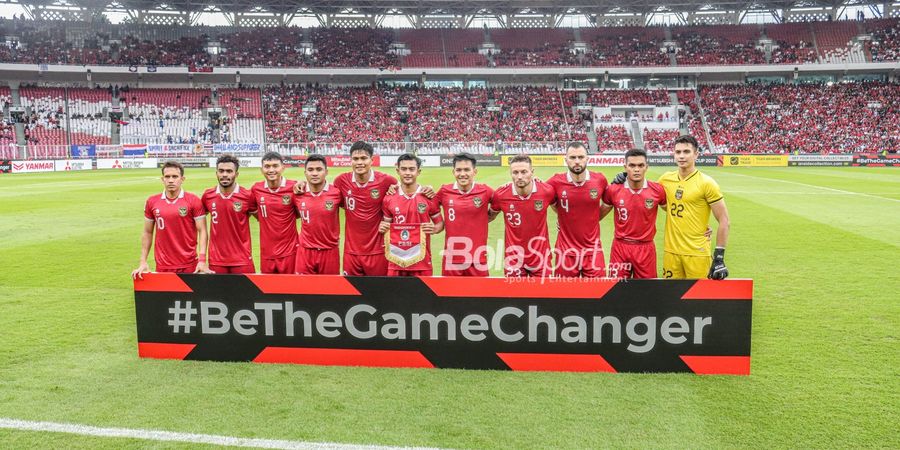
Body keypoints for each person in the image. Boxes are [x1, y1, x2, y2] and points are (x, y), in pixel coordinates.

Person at [614, 135, 730, 279]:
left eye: (686, 152)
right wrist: (624, 177)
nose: (682, 156)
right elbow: (647, 194)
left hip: (697, 252)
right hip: (671, 252)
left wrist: (719, 256)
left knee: (698, 299)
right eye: (678, 152)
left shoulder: (707, 183)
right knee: (671, 298)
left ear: (696, 154)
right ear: (674, 154)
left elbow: (724, 220)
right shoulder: (665, 179)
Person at [132, 161, 209, 279]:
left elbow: (202, 230)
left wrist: (202, 259)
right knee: (166, 297)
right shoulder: (152, 202)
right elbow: (147, 232)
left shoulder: (193, 200)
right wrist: (143, 261)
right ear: (162, 179)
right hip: (163, 265)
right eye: (167, 177)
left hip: (189, 264)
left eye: (175, 176)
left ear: (182, 179)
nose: (171, 180)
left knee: (188, 297)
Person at [545, 142, 611, 278]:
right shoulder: (555, 182)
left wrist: (593, 218)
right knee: (565, 296)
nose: (577, 161)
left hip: (593, 250)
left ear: (588, 159)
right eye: (572, 157)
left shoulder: (600, 180)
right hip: (565, 251)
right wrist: (563, 215)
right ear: (566, 160)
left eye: (581, 157)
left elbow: (609, 202)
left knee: (598, 294)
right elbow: (546, 198)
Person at [332, 141, 398, 276]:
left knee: (378, 292)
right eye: (355, 159)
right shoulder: (340, 181)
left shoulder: (387, 181)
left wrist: (426, 189)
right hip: (351, 252)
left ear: (372, 160)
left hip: (378, 250)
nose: (359, 162)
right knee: (352, 293)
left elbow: (404, 197)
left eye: (364, 158)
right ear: (350, 160)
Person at [602, 148, 667, 279]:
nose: (636, 169)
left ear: (646, 167)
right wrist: (568, 223)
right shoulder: (613, 190)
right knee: (616, 290)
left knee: (646, 292)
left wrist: (700, 227)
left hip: (645, 248)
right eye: (632, 165)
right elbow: (596, 216)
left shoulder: (658, 190)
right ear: (625, 167)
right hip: (620, 247)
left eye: (640, 165)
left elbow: (674, 213)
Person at [489, 154, 557, 278]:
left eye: (524, 172)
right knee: (515, 297)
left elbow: (560, 209)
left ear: (532, 172)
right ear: (510, 173)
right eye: (515, 172)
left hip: (541, 258)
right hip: (513, 259)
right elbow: (489, 216)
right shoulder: (501, 195)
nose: (519, 176)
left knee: (544, 296)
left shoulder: (547, 191)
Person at [379, 154, 444, 276]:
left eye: (411, 169)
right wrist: (383, 227)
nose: (407, 173)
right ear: (398, 171)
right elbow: (386, 226)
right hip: (395, 260)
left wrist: (435, 229)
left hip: (422, 260)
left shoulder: (428, 196)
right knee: (394, 295)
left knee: (423, 295)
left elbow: (440, 223)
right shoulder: (389, 197)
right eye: (403, 169)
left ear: (418, 171)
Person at [434, 153, 494, 276]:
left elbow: (502, 201)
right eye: (458, 170)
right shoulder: (444, 191)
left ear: (474, 171)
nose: (462, 174)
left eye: (467, 170)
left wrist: (485, 218)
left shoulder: (485, 191)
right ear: (453, 172)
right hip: (452, 258)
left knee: (480, 294)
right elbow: (428, 205)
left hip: (478, 258)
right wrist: (439, 222)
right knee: (450, 294)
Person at [200, 154, 257, 274]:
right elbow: (197, 222)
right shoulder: (208, 196)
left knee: (246, 293)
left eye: (229, 171)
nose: (224, 174)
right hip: (216, 260)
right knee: (218, 293)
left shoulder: (247, 196)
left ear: (236, 174)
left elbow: (263, 219)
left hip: (242, 259)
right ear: (216, 173)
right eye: (221, 171)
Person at [294, 154, 343, 275]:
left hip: (329, 251)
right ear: (305, 173)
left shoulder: (336, 192)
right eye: (310, 170)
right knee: (303, 291)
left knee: (329, 291)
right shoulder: (297, 192)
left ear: (326, 172)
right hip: (305, 251)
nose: (314, 173)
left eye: (319, 169)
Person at [251, 151, 298, 274]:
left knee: (291, 289)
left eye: (275, 166)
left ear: (283, 168)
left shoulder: (294, 187)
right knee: (268, 289)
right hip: (267, 252)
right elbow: (254, 211)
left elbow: (301, 212)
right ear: (261, 170)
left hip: (290, 251)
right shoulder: (256, 189)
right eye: (267, 166)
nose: (271, 170)